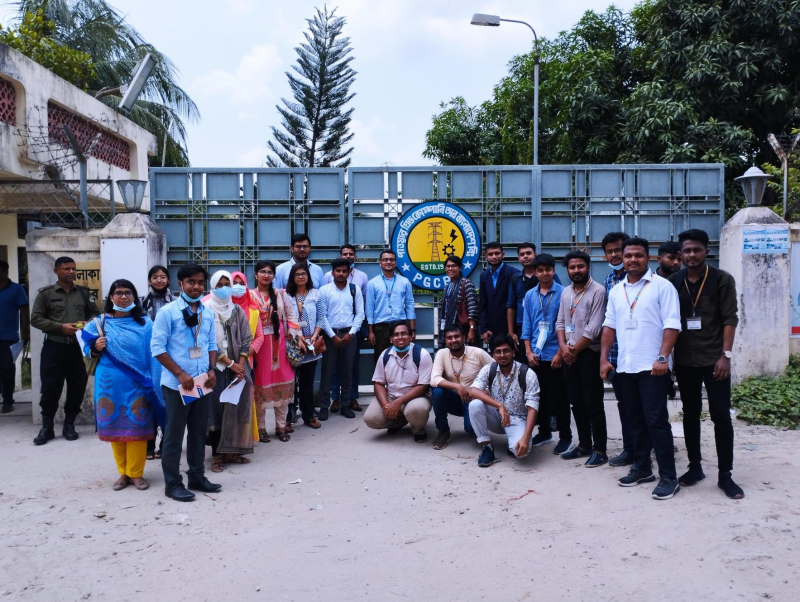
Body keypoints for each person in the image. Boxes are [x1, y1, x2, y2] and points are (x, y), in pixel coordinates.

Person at [600, 237, 682, 500]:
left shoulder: (662, 287)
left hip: (653, 367)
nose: (632, 259)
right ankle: (642, 468)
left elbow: (672, 324)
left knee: (656, 421)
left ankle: (668, 477)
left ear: (648, 258)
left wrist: (663, 358)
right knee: (634, 420)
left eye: (638, 255)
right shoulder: (616, 291)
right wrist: (604, 359)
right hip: (625, 366)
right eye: (628, 256)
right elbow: (609, 326)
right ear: (622, 259)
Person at [669, 229, 743, 499]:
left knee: (721, 415)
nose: (692, 254)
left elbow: (730, 318)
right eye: (687, 250)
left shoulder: (722, 279)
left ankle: (726, 475)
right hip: (685, 360)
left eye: (697, 250)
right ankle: (695, 467)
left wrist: (726, 356)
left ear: (706, 252)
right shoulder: (674, 281)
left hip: (715, 360)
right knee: (690, 414)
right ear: (680, 254)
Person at [81, 280, 163, 491]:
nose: (124, 296)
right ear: (111, 297)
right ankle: (123, 473)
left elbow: (154, 352)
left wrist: (155, 381)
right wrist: (95, 348)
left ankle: (136, 473)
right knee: (114, 426)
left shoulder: (145, 324)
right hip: (108, 383)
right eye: (118, 293)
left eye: (128, 293)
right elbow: (85, 349)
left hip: (138, 382)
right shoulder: (99, 323)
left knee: (138, 426)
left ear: (135, 297)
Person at [151, 264, 221, 502]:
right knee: (174, 434)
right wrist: (180, 374)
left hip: (201, 382)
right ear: (180, 284)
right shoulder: (167, 312)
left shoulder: (207, 313)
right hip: (176, 385)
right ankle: (172, 484)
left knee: (198, 432)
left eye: (200, 282)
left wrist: (212, 369)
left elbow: (212, 345)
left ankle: (197, 477)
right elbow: (157, 348)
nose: (196, 287)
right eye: (191, 282)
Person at [30, 256, 100, 445]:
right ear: (56, 271)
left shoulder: (84, 293)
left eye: (73, 269)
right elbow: (35, 319)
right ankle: (47, 426)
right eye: (66, 269)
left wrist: (87, 323)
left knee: (77, 386)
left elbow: (95, 313)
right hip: (54, 347)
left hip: (78, 348)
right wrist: (60, 327)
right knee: (50, 387)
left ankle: (69, 424)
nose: (71, 272)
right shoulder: (46, 294)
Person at [204, 271, 262, 473]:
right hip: (215, 368)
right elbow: (208, 342)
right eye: (219, 285)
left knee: (236, 409)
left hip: (238, 368)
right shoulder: (206, 309)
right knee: (215, 411)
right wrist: (230, 364)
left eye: (226, 284)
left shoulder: (236, 310)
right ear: (212, 287)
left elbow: (246, 338)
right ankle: (216, 456)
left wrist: (240, 365)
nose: (224, 288)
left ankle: (231, 452)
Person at [556, 251, 608, 466]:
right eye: (572, 267)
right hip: (569, 354)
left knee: (592, 402)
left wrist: (573, 351)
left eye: (580, 266)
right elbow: (560, 322)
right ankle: (584, 445)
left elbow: (594, 329)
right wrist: (563, 348)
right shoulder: (566, 292)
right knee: (576, 402)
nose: (576, 270)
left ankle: (600, 449)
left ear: (588, 267)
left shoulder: (598, 291)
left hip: (589, 354)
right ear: (567, 270)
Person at [520, 253, 572, 452]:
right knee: (538, 396)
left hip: (557, 354)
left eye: (548, 270)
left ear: (554, 270)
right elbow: (527, 325)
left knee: (561, 397)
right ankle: (544, 432)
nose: (544, 273)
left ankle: (566, 437)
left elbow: (567, 325)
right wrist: (528, 351)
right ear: (535, 272)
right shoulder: (530, 295)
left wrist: (560, 352)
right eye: (540, 270)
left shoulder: (564, 293)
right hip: (536, 355)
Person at [468, 334, 540, 467]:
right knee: (474, 405)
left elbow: (533, 408)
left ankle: (514, 442)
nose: (502, 355)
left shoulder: (527, 373)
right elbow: (473, 391)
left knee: (521, 452)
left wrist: (525, 437)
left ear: (513, 353)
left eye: (506, 351)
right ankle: (487, 447)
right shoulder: (489, 369)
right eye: (498, 352)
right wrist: (499, 406)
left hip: (518, 419)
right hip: (497, 416)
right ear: (493, 355)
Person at [250, 260, 302, 443]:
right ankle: (261, 428)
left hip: (280, 344)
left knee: (283, 384)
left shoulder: (281, 294)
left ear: (274, 275)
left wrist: (296, 336)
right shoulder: (250, 295)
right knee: (260, 385)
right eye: (262, 272)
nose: (266, 275)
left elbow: (291, 316)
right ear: (256, 274)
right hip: (260, 346)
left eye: (269, 272)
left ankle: (281, 426)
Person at [364, 320, 433, 442]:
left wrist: (398, 402)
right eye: (396, 334)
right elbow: (378, 383)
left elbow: (424, 386)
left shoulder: (422, 355)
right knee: (371, 418)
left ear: (411, 336)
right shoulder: (385, 355)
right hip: (391, 396)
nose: (400, 337)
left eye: (404, 334)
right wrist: (386, 406)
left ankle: (418, 430)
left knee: (417, 410)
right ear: (391, 339)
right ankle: (399, 421)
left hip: (414, 398)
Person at [601, 232, 635, 467]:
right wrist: (605, 358)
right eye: (609, 251)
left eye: (618, 250)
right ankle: (629, 449)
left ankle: (645, 448)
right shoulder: (608, 281)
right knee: (624, 404)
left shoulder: (644, 281)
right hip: (616, 355)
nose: (614, 255)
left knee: (642, 407)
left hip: (638, 354)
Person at [430, 325, 492, 450]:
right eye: (449, 338)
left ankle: (476, 426)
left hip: (472, 399)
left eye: (457, 336)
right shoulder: (442, 354)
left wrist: (487, 391)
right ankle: (443, 431)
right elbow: (434, 379)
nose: (453, 340)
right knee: (437, 391)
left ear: (464, 338)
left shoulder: (478, 353)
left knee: (470, 429)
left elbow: (496, 371)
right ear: (445, 340)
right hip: (452, 399)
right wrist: (457, 386)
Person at [323, 244, 369, 408]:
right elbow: (323, 311)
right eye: (345, 254)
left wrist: (352, 332)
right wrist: (331, 335)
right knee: (331, 368)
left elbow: (362, 307)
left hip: (352, 330)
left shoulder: (361, 279)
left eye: (351, 254)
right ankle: (334, 400)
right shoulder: (326, 282)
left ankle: (350, 399)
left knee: (351, 367)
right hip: (331, 332)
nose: (341, 273)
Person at [507, 242, 561, 362]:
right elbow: (511, 305)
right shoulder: (516, 279)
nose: (525, 256)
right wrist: (511, 332)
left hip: (552, 328)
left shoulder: (553, 280)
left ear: (535, 255)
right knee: (526, 363)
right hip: (524, 327)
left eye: (528, 253)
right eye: (522, 254)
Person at [285, 262, 324, 429]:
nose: (301, 277)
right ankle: (288, 418)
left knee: (307, 383)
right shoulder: (286, 295)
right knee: (290, 383)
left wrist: (314, 336)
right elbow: (285, 319)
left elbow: (321, 318)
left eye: (303, 274)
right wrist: (297, 336)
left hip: (311, 344)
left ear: (308, 276)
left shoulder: (316, 294)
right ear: (292, 277)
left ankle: (308, 415)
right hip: (292, 344)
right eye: (297, 274)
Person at [141, 265, 174, 459]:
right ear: (149, 280)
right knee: (149, 399)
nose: (159, 280)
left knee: (168, 400)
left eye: (162, 277)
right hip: (147, 358)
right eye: (155, 277)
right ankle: (149, 442)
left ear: (168, 280)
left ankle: (165, 443)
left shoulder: (176, 302)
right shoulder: (140, 303)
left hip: (170, 358)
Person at [365, 250, 416, 363]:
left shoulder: (404, 282)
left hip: (400, 325)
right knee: (381, 358)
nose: (388, 262)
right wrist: (370, 331)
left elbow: (410, 305)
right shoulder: (372, 283)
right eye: (385, 260)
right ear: (380, 263)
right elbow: (369, 308)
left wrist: (412, 329)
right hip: (380, 327)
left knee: (403, 357)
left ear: (395, 263)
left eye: (391, 259)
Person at [0, 259, 29, 414]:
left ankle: (7, 400)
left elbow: (24, 310)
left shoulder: (16, 289)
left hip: (8, 336)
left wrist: (25, 331)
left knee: (7, 369)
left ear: (5, 272)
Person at [478, 242, 518, 345]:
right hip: (492, 330)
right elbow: (483, 304)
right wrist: (483, 329)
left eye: (497, 253)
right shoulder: (484, 276)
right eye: (490, 254)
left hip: (512, 329)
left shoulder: (514, 274)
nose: (494, 257)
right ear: (485, 256)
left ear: (503, 254)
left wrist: (512, 330)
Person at [439, 255, 479, 347]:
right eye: (448, 266)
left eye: (453, 266)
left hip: (464, 329)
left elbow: (473, 309)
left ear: (460, 268)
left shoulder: (467, 283)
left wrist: (472, 329)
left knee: (468, 353)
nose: (450, 269)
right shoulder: (447, 286)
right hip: (450, 328)